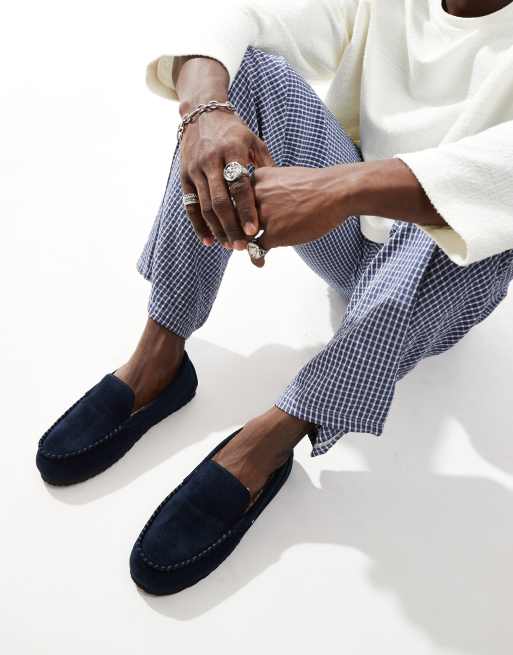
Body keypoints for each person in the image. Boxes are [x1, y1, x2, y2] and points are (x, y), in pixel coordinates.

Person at [36, 0, 513, 595]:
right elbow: (239, 15)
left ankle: (275, 433)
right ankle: (160, 354)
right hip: (349, 237)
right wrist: (205, 113)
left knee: (477, 222)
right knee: (242, 74)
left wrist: (337, 188)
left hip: (440, 275)